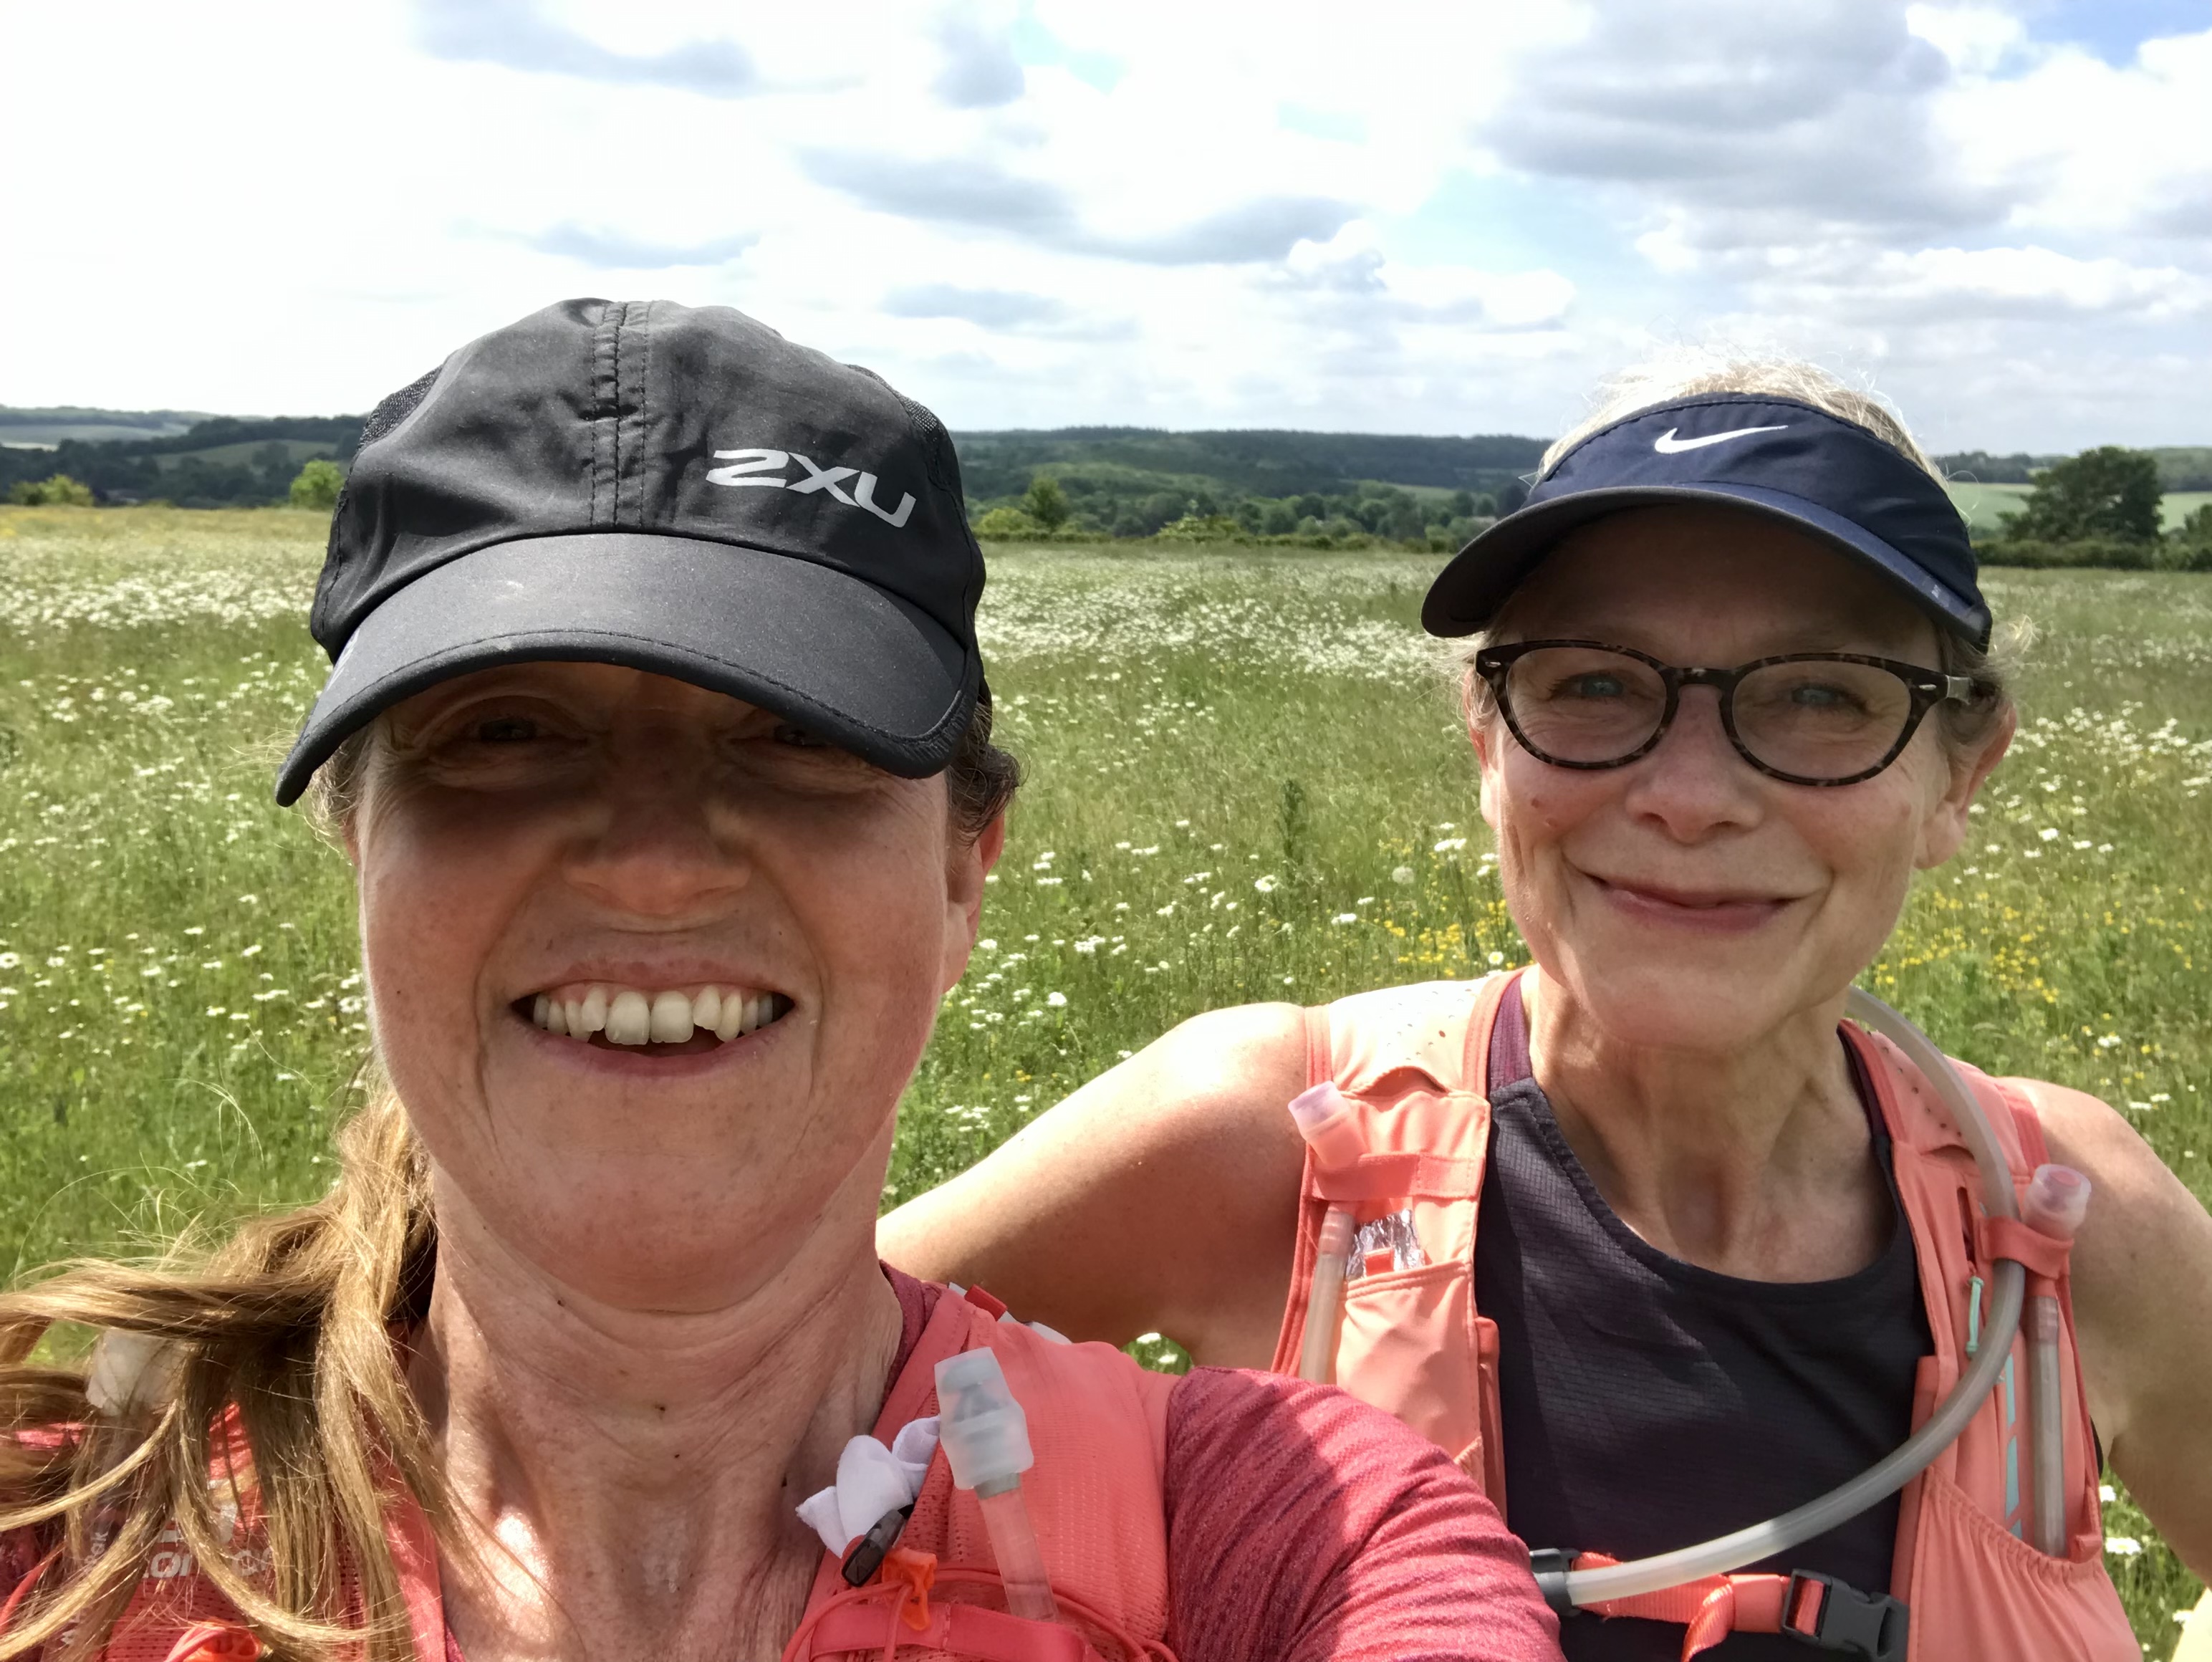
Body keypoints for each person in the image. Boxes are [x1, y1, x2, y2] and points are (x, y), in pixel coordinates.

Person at [0, 301, 1566, 1662]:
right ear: (358, 849)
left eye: (795, 735)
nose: (653, 866)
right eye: (506, 733)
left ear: (962, 873)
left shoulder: (1283, 1537)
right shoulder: (67, 1535)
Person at [882, 358, 2212, 1659]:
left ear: (1960, 777)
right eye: (1593, 683)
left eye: (1821, 694)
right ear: (1485, 739)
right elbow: (771, 1406)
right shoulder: (1276, 1141)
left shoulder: (2071, 1221)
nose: (1689, 796)